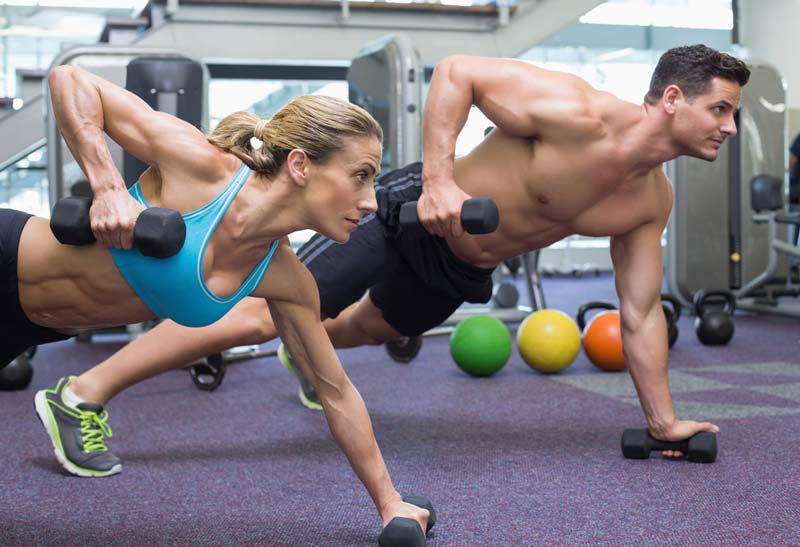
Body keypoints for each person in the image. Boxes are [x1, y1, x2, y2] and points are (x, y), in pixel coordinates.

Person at [38, 44, 749, 473]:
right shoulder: (576, 113)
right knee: (264, 312)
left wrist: (662, 422)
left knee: (372, 328)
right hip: (405, 213)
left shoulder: (648, 202)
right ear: (673, 99)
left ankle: (305, 357)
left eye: (734, 114)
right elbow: (458, 74)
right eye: (720, 109)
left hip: (463, 268)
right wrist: (439, 181)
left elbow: (638, 313)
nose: (730, 126)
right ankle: (82, 394)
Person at [5, 65, 432, 539]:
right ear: (300, 165)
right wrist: (107, 189)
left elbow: (335, 391)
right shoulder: (203, 168)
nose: (370, 201)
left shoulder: (285, 278)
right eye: (360, 176)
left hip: (30, 329)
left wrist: (390, 502)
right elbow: (70, 80)